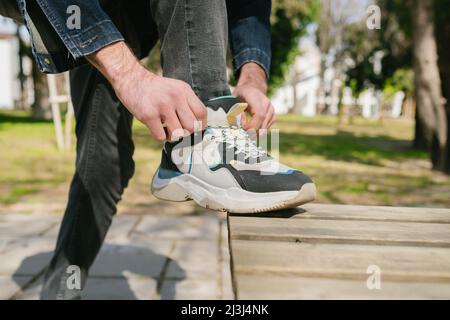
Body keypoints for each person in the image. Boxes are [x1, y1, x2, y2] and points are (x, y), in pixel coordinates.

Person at [1, 0, 316, 299]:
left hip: (135, 17)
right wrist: (130, 78)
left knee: (105, 166)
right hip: (79, 9)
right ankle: (198, 145)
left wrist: (252, 75)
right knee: (102, 165)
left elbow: (250, 8)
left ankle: (193, 144)